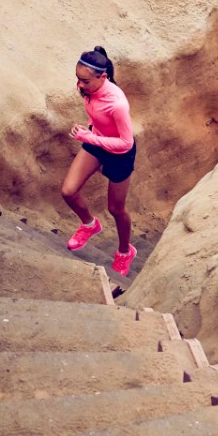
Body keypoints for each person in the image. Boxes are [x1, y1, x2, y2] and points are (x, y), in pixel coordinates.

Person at [61, 46, 138, 276]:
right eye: (78, 79)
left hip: (119, 154)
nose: (80, 85)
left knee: (116, 209)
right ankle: (89, 224)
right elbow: (94, 112)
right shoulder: (86, 89)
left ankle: (125, 251)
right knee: (68, 191)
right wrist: (91, 130)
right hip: (96, 141)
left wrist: (90, 136)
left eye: (84, 81)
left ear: (102, 77)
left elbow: (126, 143)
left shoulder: (118, 104)